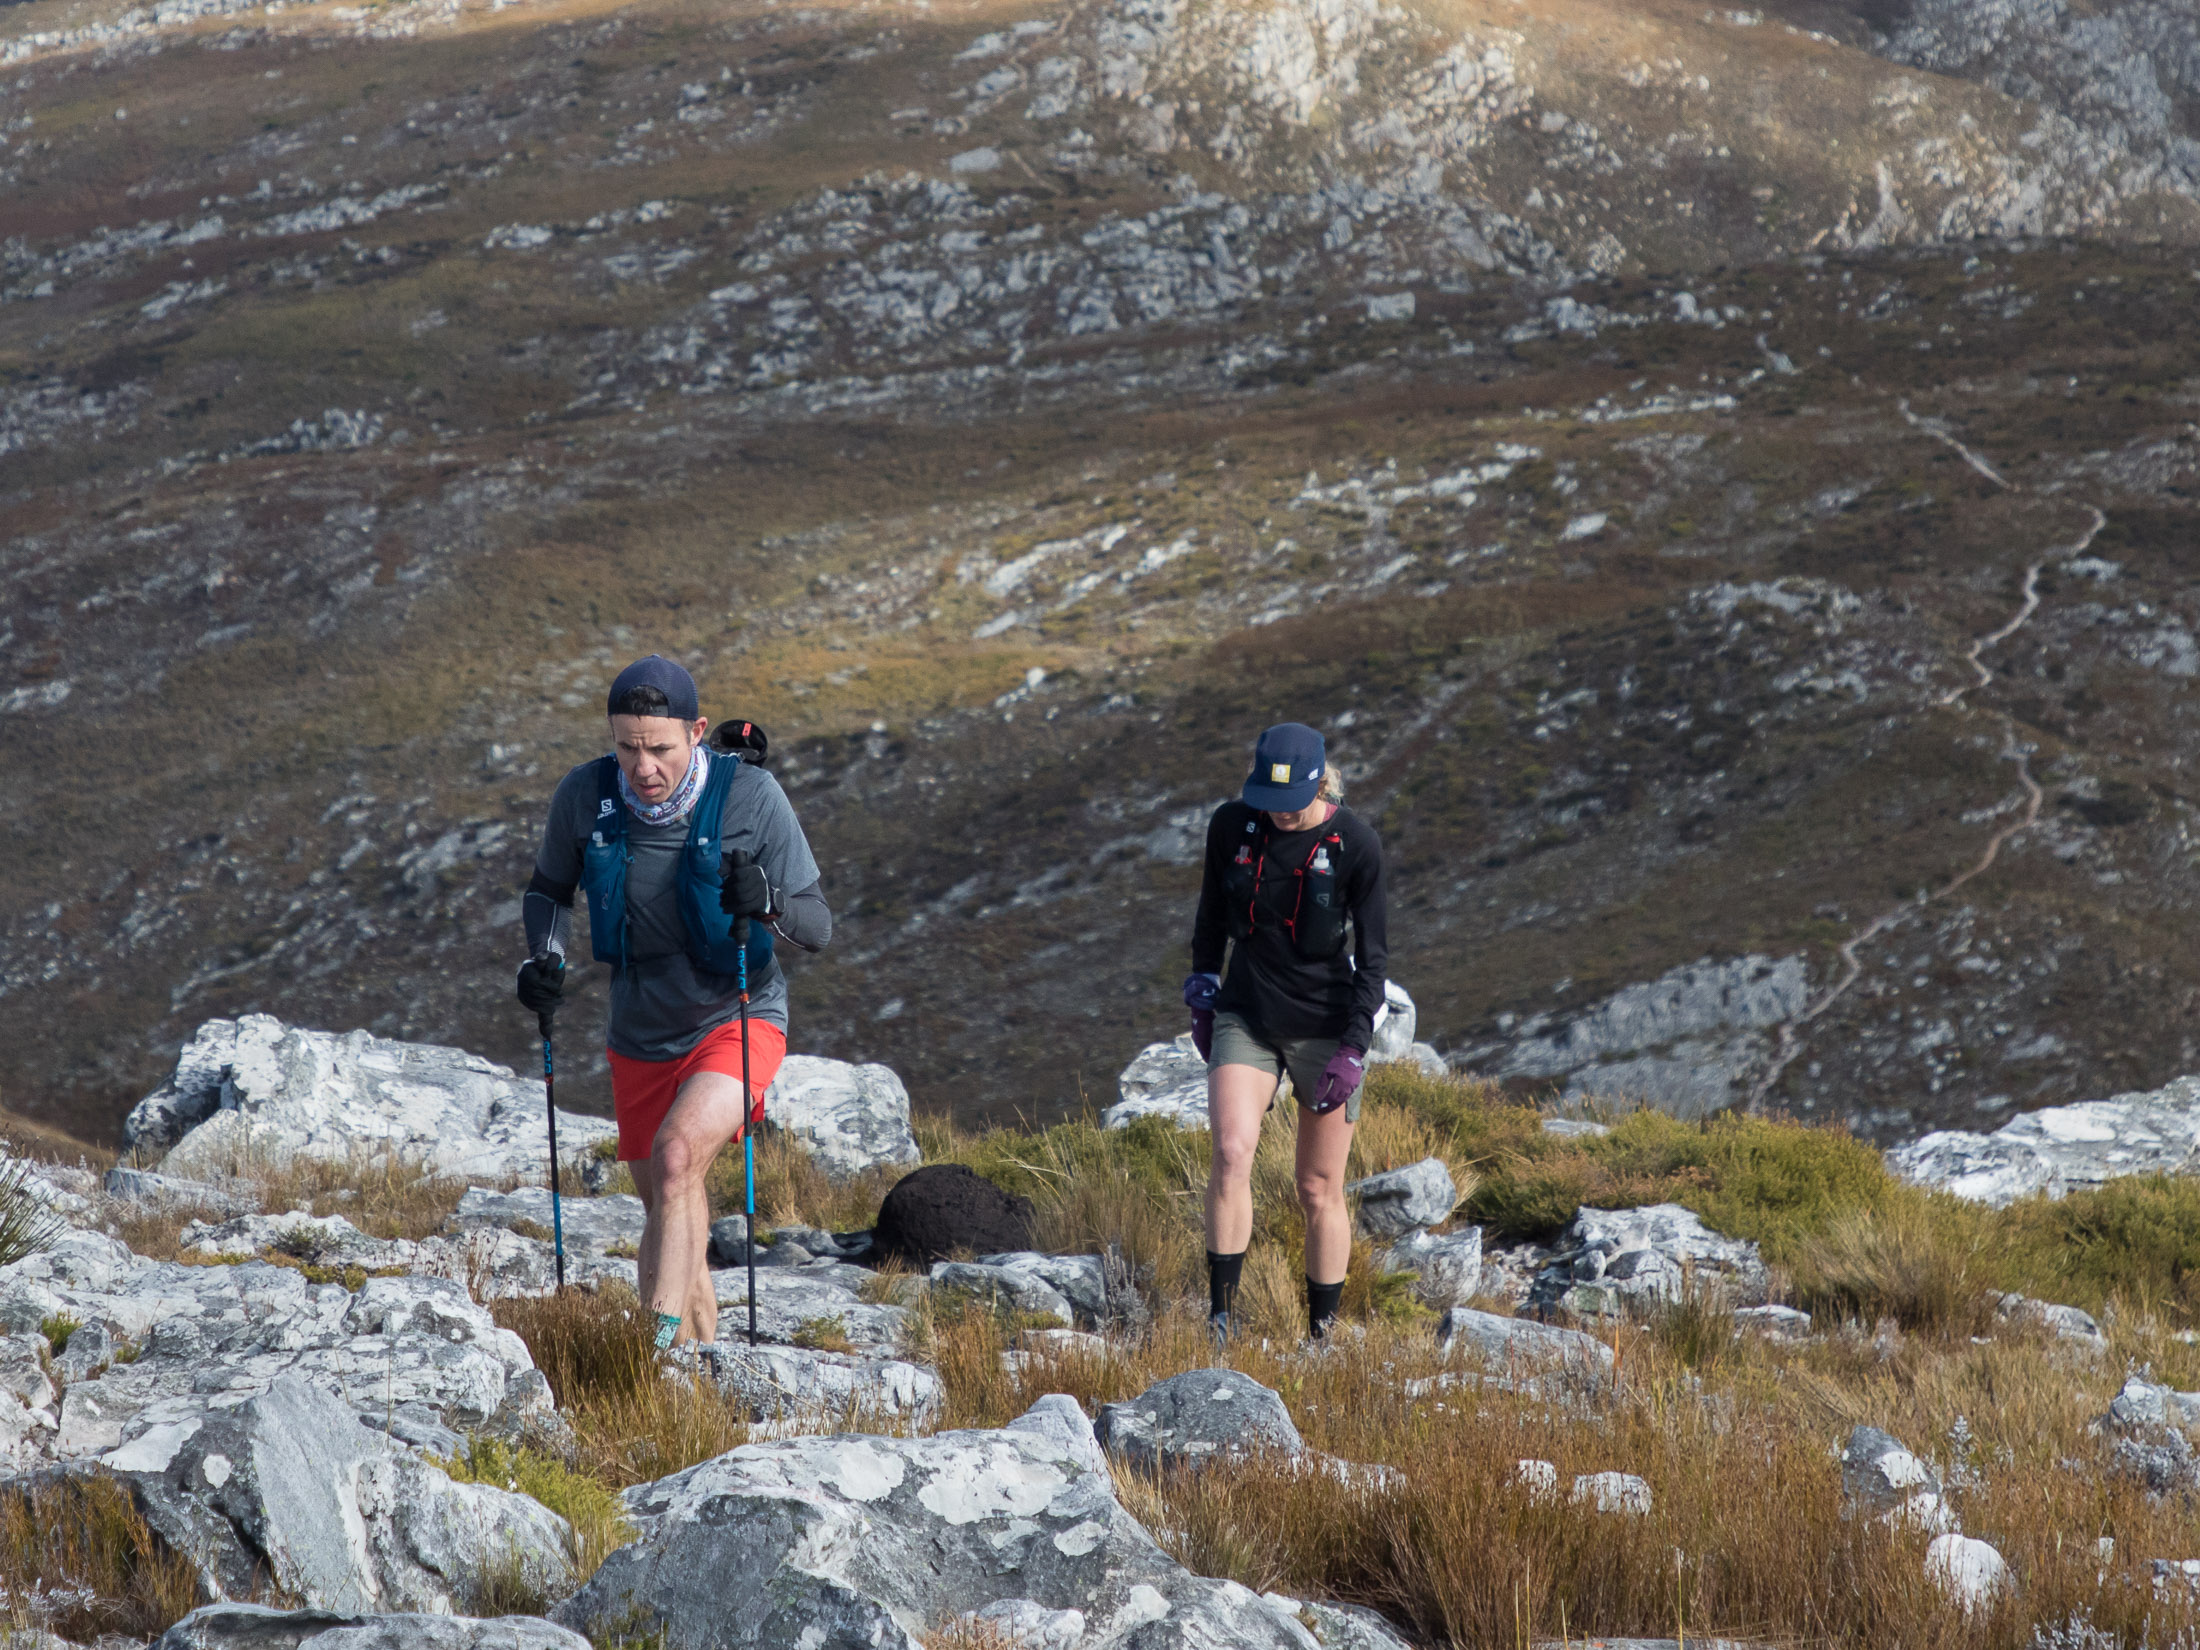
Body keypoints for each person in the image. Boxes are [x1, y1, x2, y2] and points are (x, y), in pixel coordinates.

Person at [514, 656, 830, 1359]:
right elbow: (547, 892)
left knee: (678, 1157)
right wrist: (543, 959)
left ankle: (641, 1354)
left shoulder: (752, 796)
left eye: (659, 747)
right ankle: (695, 1379)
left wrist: (767, 905)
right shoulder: (585, 795)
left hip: (737, 1017)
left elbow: (817, 924)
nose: (642, 766)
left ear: (696, 731)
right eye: (627, 746)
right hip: (641, 1032)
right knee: (667, 1208)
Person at [1185, 722, 1388, 1342]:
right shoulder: (1232, 826)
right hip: (1247, 1014)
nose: (1278, 817)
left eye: (1291, 805)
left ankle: (1322, 1337)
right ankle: (1220, 1321)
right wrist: (1201, 986)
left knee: (1317, 1186)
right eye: (1267, 805)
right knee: (1230, 1153)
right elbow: (1211, 916)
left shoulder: (1357, 844)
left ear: (1319, 783)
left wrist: (1353, 1049)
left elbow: (1375, 962)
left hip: (1326, 1026)